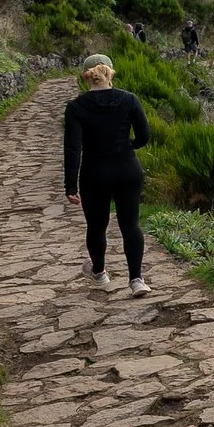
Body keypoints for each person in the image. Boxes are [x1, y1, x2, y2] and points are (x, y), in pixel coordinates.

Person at [64, 53, 154, 296]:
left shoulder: (76, 107)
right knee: (130, 224)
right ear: (110, 72)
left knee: (96, 226)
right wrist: (129, 146)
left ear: (86, 76)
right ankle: (136, 279)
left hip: (95, 173)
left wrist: (70, 186)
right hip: (127, 170)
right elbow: (144, 135)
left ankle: (100, 273)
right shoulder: (129, 99)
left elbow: (73, 148)